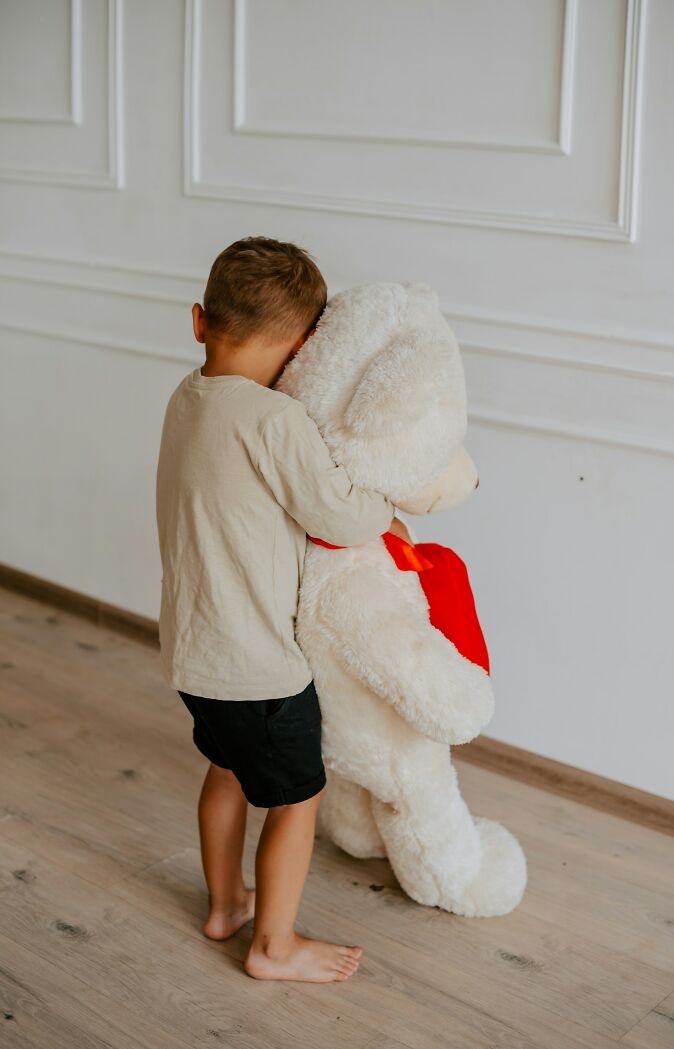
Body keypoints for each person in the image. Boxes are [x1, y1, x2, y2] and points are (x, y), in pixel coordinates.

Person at [155, 235, 412, 983]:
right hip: (258, 667)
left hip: (193, 654)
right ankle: (273, 944)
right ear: (301, 348)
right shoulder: (275, 420)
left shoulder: (186, 396)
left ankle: (225, 904)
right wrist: (386, 510)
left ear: (199, 320)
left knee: (227, 769)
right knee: (298, 799)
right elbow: (338, 513)